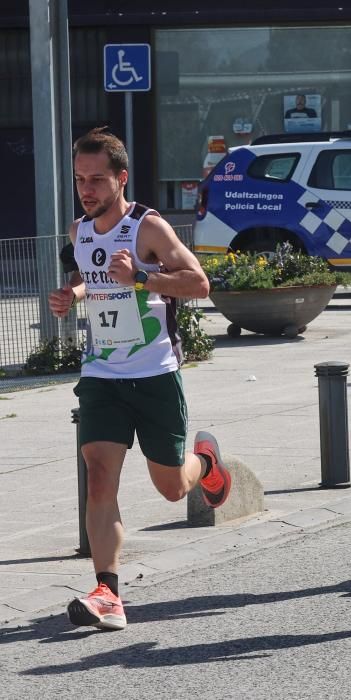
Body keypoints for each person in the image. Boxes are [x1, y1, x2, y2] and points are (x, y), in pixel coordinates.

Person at [48, 127, 231, 631]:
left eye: (98, 180)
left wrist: (144, 278)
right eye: (81, 180)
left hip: (154, 374)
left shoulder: (147, 228)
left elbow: (198, 282)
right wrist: (75, 296)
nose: (87, 190)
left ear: (121, 178)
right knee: (100, 478)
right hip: (102, 373)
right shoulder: (79, 231)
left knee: (172, 487)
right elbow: (90, 275)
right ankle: (107, 590)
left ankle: (207, 462)